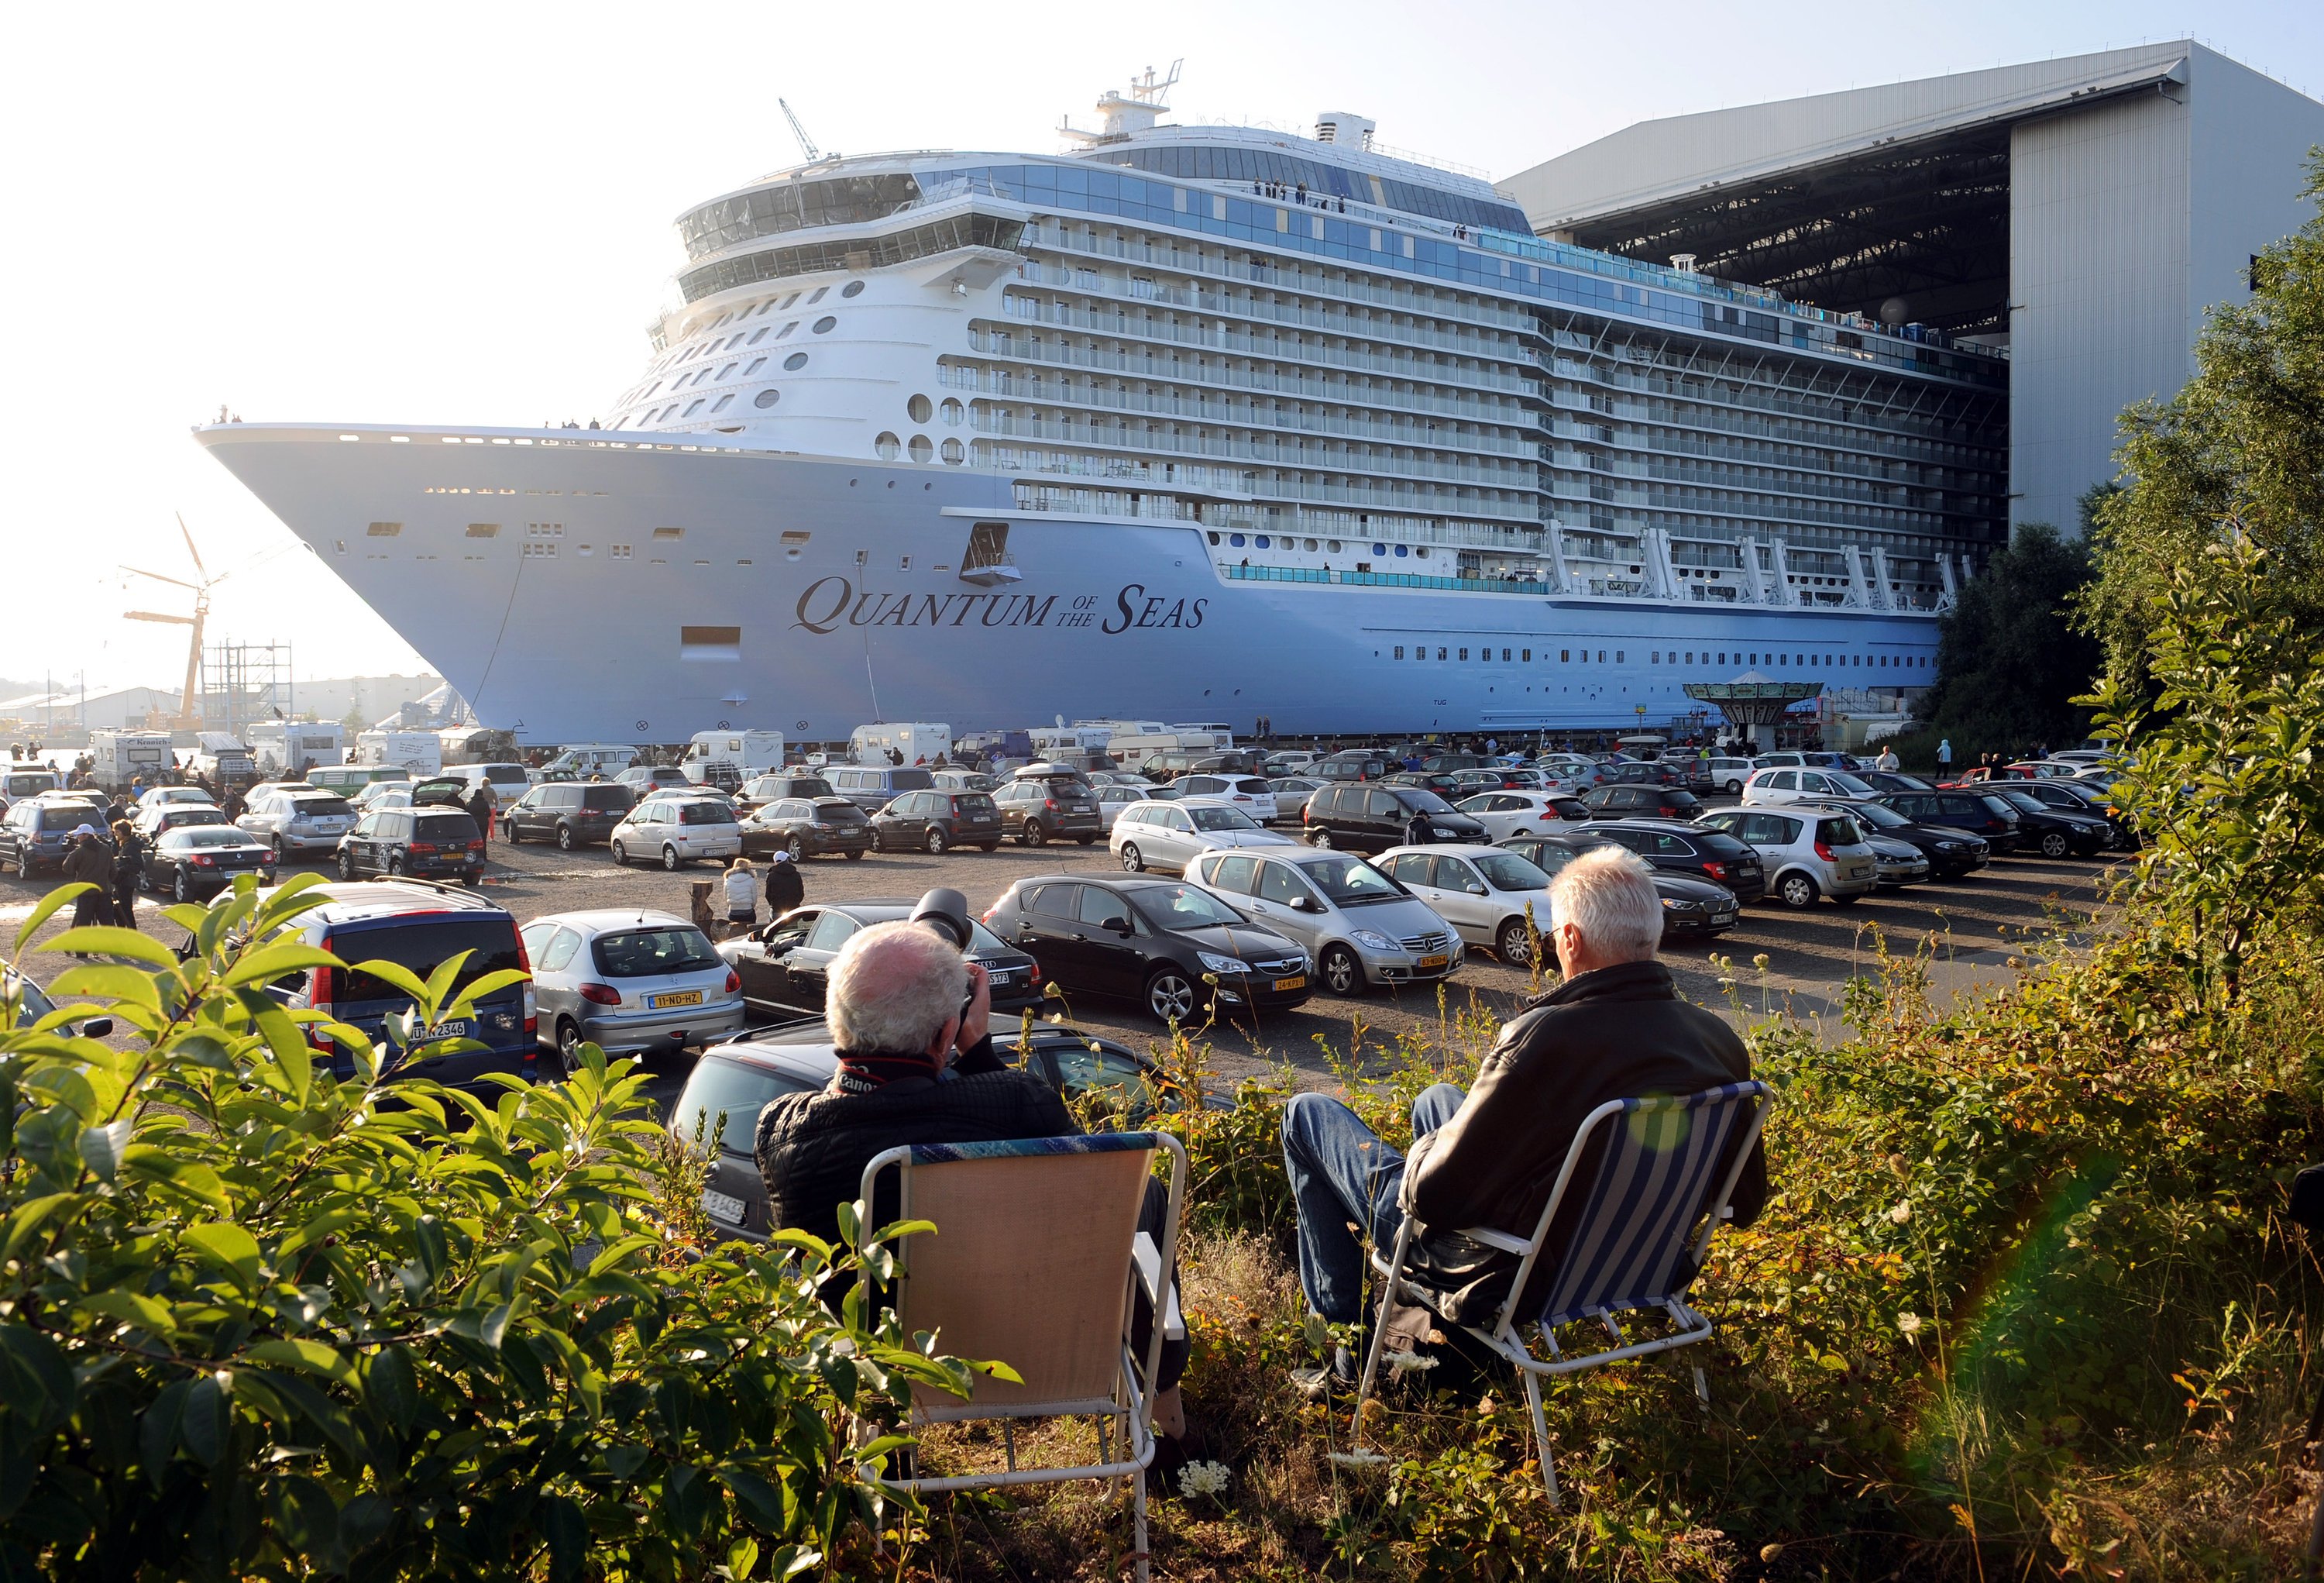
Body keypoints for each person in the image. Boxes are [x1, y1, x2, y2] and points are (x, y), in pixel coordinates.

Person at [1278, 845, 1767, 1395]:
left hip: (1517, 1272)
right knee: (1438, 1096)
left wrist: (1425, 1151)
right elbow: (1744, 1202)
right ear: (1649, 934)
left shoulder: (1542, 1040)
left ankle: (1345, 1350)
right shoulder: (1719, 1043)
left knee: (1306, 1115)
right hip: (1635, 1265)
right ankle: (1432, 1341)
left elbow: (1432, 1197)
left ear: (1572, 940)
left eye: (1555, 933)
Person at [753, 917, 1191, 1437]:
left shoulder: (783, 1132)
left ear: (835, 1024)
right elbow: (1103, 1195)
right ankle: (1165, 1414)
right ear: (946, 1032)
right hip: (1030, 1353)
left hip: (881, 1373)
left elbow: (852, 1105)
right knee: (1150, 1196)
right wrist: (976, 1047)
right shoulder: (1017, 1105)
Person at [64, 828, 115, 929]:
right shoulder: (106, 849)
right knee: (108, 925)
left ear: (86, 835)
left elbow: (67, 868)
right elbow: (113, 871)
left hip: (86, 894)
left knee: (83, 925)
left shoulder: (80, 851)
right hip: (104, 892)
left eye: (79, 835)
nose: (77, 837)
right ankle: (112, 944)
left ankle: (83, 945)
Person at [109, 818, 146, 928]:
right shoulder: (126, 844)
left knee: (125, 910)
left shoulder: (131, 846)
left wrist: (120, 869)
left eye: (117, 832)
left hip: (126, 882)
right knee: (119, 911)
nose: (115, 834)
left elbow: (136, 865)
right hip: (123, 881)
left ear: (123, 832)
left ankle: (131, 932)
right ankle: (125, 932)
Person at [763, 848, 804, 917]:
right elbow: (801, 893)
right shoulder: (796, 874)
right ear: (787, 860)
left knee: (775, 926)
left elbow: (768, 895)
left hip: (777, 909)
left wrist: (774, 905)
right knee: (793, 927)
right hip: (793, 909)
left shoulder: (771, 875)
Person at [722, 856, 758, 935]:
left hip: (733, 912)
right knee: (752, 919)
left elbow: (725, 897)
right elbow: (754, 897)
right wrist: (751, 906)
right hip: (747, 911)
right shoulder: (751, 879)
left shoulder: (728, 879)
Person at [465, 783, 494, 853]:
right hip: (484, 822)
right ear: (482, 795)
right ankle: (484, 854)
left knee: (474, 840)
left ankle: (476, 854)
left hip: (474, 823)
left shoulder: (470, 803)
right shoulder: (485, 803)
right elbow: (489, 814)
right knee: (483, 839)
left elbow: (467, 813)